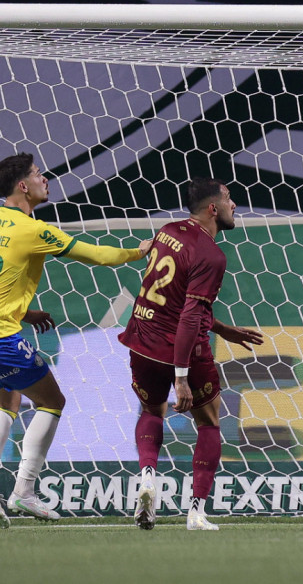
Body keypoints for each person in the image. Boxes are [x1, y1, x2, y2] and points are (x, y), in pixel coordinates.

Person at [0, 153, 151, 526]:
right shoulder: (33, 230)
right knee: (52, 400)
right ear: (23, 186)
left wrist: (24, 311)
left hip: (7, 324)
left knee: (7, 400)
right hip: (3, 337)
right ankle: (24, 492)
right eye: (38, 174)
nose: (44, 179)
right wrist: (139, 251)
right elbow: (97, 256)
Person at [117, 178, 264, 532]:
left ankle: (148, 478)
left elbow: (175, 299)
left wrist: (223, 329)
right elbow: (188, 316)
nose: (235, 207)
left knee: (153, 410)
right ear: (213, 208)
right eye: (229, 200)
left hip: (142, 340)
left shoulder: (167, 230)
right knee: (209, 422)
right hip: (184, 348)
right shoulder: (212, 255)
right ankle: (196, 511)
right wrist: (181, 376)